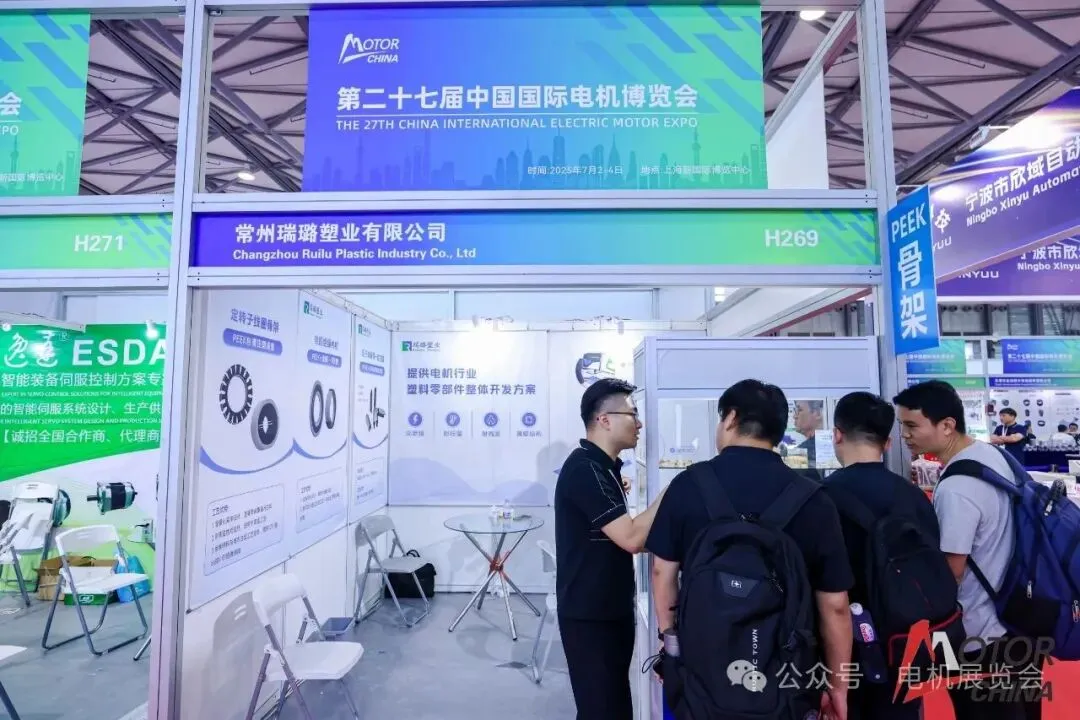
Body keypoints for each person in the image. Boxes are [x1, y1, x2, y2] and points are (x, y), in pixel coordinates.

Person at [646, 379, 854, 720]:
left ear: (730, 418)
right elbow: (835, 606)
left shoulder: (688, 485)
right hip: (785, 681)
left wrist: (670, 645)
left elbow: (661, 573)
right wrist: (838, 686)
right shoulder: (814, 499)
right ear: (779, 430)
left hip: (702, 675)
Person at [893, 380, 1040, 720]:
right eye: (901, 425)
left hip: (977, 635)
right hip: (1020, 619)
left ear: (947, 425)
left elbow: (952, 571)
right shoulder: (992, 456)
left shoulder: (957, 487)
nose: (905, 435)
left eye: (912, 425)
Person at [821, 392, 944, 720]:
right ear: (887, 443)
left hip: (846, 646)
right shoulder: (915, 497)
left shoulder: (821, 498)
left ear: (837, 435)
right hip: (907, 642)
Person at [554, 377, 667, 720]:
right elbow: (631, 538)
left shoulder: (604, 467)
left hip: (608, 607)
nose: (639, 423)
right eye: (632, 414)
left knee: (611, 705)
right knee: (602, 709)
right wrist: (673, 492)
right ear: (604, 419)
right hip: (590, 615)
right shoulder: (585, 469)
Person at [794, 399, 826, 465]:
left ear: (817, 414)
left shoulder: (802, 452)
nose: (794, 416)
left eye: (799, 410)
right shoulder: (830, 445)